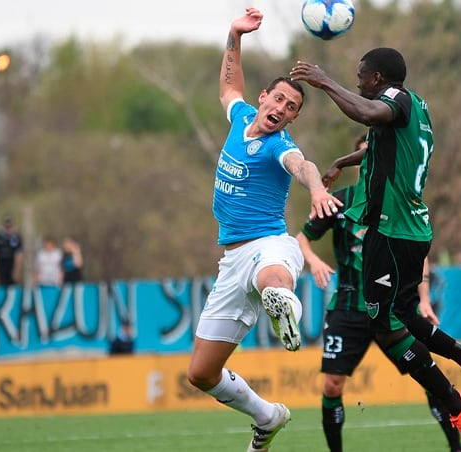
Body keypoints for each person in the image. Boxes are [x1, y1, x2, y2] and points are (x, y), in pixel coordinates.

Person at [291, 49, 461, 452]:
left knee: (384, 322)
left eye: (361, 77)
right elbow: (374, 145)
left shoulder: (396, 99)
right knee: (401, 315)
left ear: (378, 78)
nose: (358, 82)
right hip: (411, 228)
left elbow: (369, 115)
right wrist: (340, 162)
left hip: (391, 228)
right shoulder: (416, 107)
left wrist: (326, 81)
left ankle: (457, 403)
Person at [185, 8, 341, 452]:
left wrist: (314, 190)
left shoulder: (280, 146)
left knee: (271, 274)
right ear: (264, 98)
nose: (282, 109)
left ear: (292, 120)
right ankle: (267, 416)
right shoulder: (240, 118)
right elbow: (229, 86)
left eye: (291, 109)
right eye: (278, 100)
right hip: (231, 260)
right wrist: (234, 35)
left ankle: (283, 303)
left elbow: (303, 165)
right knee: (201, 374)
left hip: (270, 245)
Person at [296, 178, 461, 452]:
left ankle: (456, 447)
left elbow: (419, 252)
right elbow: (302, 238)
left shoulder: (399, 200)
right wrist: (313, 261)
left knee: (426, 373)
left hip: (391, 310)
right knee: (332, 385)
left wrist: (423, 300)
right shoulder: (338, 201)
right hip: (349, 309)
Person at [0, 216, 23, 286]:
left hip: (12, 264)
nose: (8, 229)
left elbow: (18, 255)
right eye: (7, 227)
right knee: (2, 283)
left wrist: (17, 269)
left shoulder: (16, 237)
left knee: (13, 284)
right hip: (1, 264)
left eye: (10, 227)